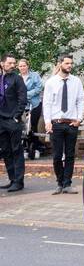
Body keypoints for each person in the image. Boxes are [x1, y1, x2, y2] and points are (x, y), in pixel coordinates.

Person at [43, 54, 84, 195]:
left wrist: (79, 119)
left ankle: (67, 183)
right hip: (57, 123)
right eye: (67, 63)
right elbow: (47, 103)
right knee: (56, 155)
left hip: (71, 124)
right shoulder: (51, 82)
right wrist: (47, 122)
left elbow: (81, 100)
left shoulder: (76, 81)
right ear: (60, 63)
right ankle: (59, 182)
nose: (70, 66)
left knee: (69, 155)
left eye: (71, 63)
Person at [0, 54, 28, 192]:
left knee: (16, 150)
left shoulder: (17, 79)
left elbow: (23, 98)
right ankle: (12, 179)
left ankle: (19, 181)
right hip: (1, 121)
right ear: (2, 64)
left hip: (13, 120)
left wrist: (16, 116)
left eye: (14, 63)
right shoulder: (0, 79)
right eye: (10, 63)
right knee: (6, 151)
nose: (12, 65)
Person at [18, 59, 43, 159]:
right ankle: (24, 148)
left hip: (34, 105)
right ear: (18, 67)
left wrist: (26, 95)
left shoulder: (34, 75)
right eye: (20, 66)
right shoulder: (17, 77)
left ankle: (35, 148)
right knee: (23, 128)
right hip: (22, 106)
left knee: (32, 127)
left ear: (28, 66)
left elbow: (39, 88)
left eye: (24, 66)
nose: (22, 68)